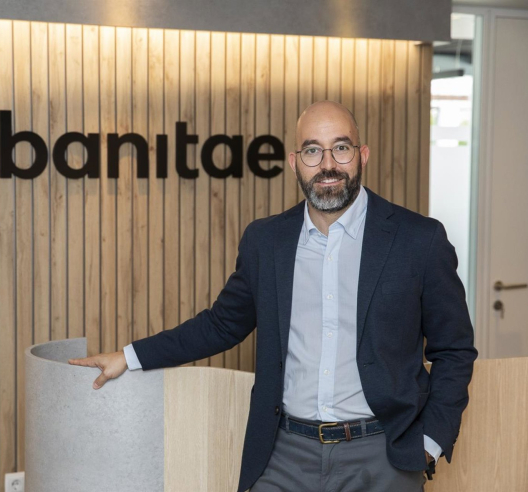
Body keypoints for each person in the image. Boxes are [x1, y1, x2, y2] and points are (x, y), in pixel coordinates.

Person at [68, 101, 478, 492]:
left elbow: (454, 349)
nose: (328, 164)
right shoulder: (266, 241)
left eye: (341, 148)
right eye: (313, 151)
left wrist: (430, 442)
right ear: (295, 162)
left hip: (382, 457)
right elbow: (221, 325)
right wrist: (130, 356)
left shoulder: (419, 240)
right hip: (284, 456)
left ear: (363, 155)